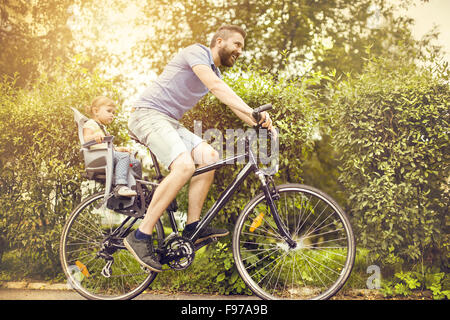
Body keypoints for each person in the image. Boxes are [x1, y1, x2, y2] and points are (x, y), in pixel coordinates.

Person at [125, 25, 274, 272]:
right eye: (236, 44)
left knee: (209, 156)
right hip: (148, 114)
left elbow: (231, 104)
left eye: (242, 47)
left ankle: (193, 226)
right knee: (183, 166)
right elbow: (216, 87)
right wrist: (253, 112)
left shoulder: (214, 70)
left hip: (169, 121)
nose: (240, 51)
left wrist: (260, 121)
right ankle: (140, 235)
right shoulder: (197, 52)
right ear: (219, 41)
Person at [83, 96, 142, 197]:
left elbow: (107, 146)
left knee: (135, 163)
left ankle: (137, 187)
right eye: (109, 111)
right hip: (98, 157)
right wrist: (94, 136)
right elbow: (86, 138)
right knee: (123, 157)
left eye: (113, 113)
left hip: (108, 155)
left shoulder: (103, 128)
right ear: (96, 111)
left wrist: (120, 149)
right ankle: (120, 185)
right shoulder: (91, 123)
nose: (112, 115)